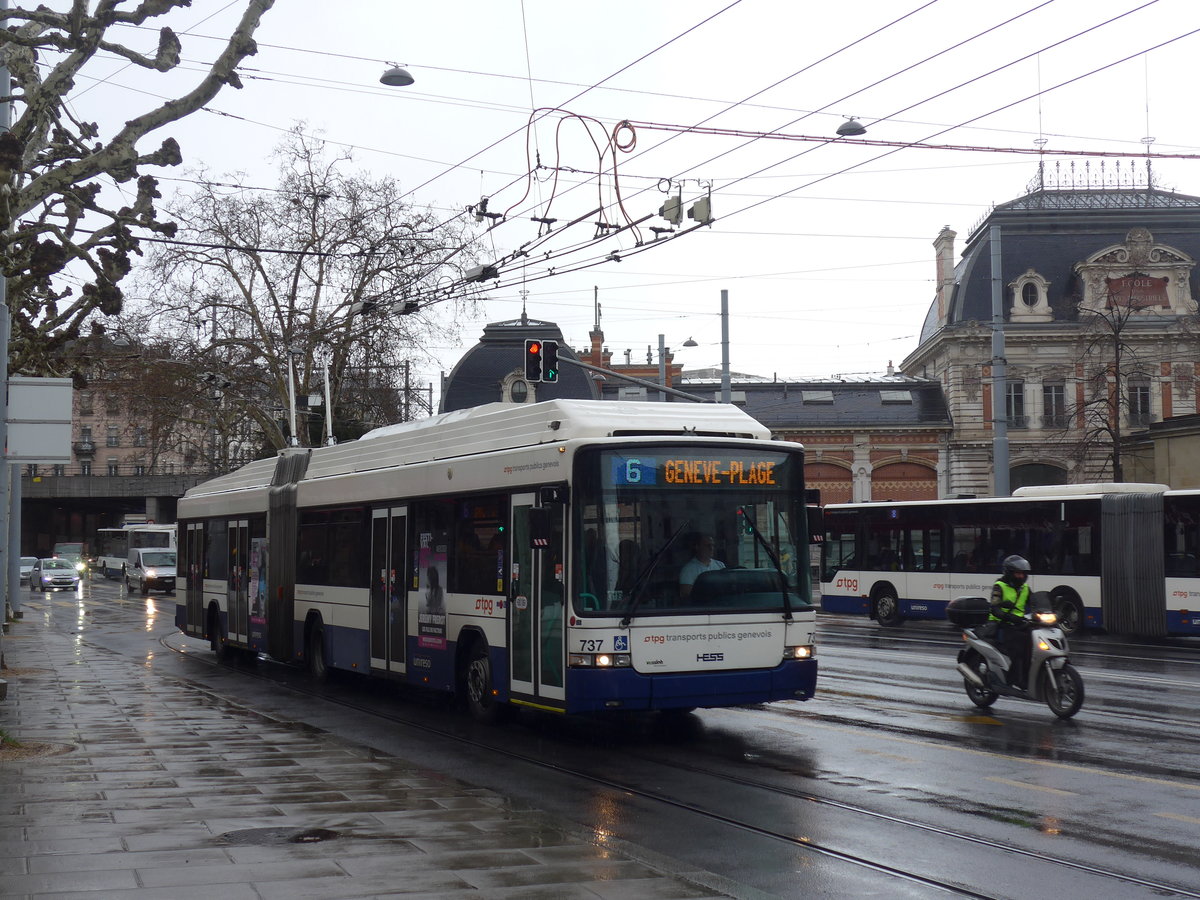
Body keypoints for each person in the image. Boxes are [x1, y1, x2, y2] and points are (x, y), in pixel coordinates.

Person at [989, 554, 1032, 688]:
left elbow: (1034, 602)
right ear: (1009, 573)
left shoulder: (1025, 588)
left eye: (1023, 574)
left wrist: (1051, 610)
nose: (1021, 577)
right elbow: (995, 608)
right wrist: (1009, 617)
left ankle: (1031, 676)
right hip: (1001, 625)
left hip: (1019, 623)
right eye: (1017, 574)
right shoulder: (999, 586)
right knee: (1019, 647)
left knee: (1034, 642)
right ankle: (1016, 679)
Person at [679, 533, 724, 599]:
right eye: (708, 545)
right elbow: (685, 594)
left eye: (713, 545)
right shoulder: (688, 570)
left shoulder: (720, 565)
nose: (711, 548)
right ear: (697, 547)